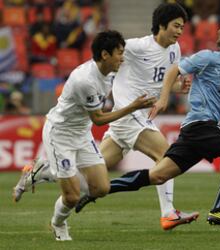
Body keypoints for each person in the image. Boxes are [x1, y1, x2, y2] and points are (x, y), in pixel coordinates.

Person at [75, 19, 220, 229]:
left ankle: (100, 189)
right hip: (200, 123)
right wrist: (164, 97)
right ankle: (219, 210)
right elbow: (174, 70)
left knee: (157, 175)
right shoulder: (208, 58)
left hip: (198, 132)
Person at [13, 3, 199, 231]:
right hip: (129, 114)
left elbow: (159, 82)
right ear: (161, 25)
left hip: (136, 117)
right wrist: (79, 79)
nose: (180, 31)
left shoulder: (174, 50)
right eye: (176, 26)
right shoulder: (136, 47)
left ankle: (42, 172)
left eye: (182, 27)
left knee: (91, 180)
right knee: (167, 157)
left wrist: (177, 87)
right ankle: (168, 213)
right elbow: (102, 57)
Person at [24, 30, 156, 241]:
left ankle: (44, 170)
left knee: (101, 188)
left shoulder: (111, 71)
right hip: (60, 133)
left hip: (81, 133)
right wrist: (133, 107)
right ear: (105, 55)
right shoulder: (85, 80)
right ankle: (58, 224)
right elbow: (99, 119)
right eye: (119, 53)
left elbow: (141, 80)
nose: (123, 57)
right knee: (72, 196)